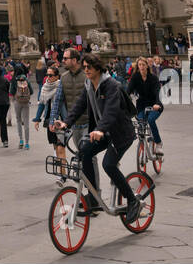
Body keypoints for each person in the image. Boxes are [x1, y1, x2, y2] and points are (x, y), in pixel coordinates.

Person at [50, 53, 142, 224]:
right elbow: (79, 106)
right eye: (84, 67)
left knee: (108, 165)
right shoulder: (89, 85)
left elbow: (111, 110)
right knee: (84, 152)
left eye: (89, 67)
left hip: (120, 133)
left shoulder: (111, 85)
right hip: (104, 131)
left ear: (98, 68)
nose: (86, 70)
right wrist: (66, 123)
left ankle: (132, 200)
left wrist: (100, 129)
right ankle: (93, 197)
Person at [127, 57, 163, 153]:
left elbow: (157, 92)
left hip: (154, 104)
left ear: (147, 66)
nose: (142, 67)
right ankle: (142, 144)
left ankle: (158, 143)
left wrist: (157, 103)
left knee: (151, 120)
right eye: (140, 65)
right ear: (137, 66)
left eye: (143, 64)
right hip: (141, 105)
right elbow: (127, 91)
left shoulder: (153, 78)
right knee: (140, 124)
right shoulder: (135, 77)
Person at [12, 66, 33, 150]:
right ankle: (27, 143)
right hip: (26, 102)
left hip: (17, 102)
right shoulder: (26, 80)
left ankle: (21, 140)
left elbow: (11, 92)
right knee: (26, 122)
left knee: (18, 120)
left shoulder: (14, 80)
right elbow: (31, 91)